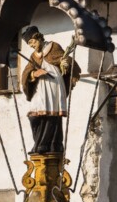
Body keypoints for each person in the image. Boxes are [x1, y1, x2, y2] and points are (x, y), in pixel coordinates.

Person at [19, 25, 80, 155]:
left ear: (38, 38)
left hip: (54, 84)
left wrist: (65, 64)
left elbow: (65, 60)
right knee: (35, 116)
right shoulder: (33, 56)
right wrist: (34, 74)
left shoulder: (53, 47)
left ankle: (51, 144)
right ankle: (40, 143)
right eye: (29, 43)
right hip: (39, 87)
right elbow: (26, 73)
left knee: (52, 114)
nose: (31, 45)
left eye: (32, 42)